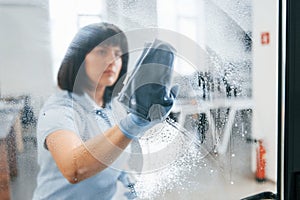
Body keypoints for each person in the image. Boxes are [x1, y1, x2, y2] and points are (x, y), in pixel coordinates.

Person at [32, 22, 178, 200]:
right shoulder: (59, 109)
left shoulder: (112, 108)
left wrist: (130, 186)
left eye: (118, 54)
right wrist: (132, 124)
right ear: (80, 58)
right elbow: (74, 168)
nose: (112, 60)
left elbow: (114, 157)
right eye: (102, 51)